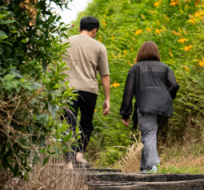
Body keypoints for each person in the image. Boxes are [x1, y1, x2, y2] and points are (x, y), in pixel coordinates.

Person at [120, 41, 179, 173]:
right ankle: (145, 167)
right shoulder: (165, 68)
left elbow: (128, 92)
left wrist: (126, 114)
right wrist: (166, 97)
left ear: (140, 53)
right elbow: (174, 85)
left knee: (149, 134)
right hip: (164, 106)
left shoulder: (136, 68)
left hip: (146, 105)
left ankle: (153, 165)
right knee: (150, 135)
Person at [63, 15, 111, 168]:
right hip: (89, 90)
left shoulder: (65, 42)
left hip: (68, 89)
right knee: (86, 123)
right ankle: (79, 154)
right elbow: (104, 75)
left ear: (79, 28)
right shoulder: (99, 47)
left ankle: (69, 162)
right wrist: (107, 98)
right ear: (95, 30)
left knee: (68, 124)